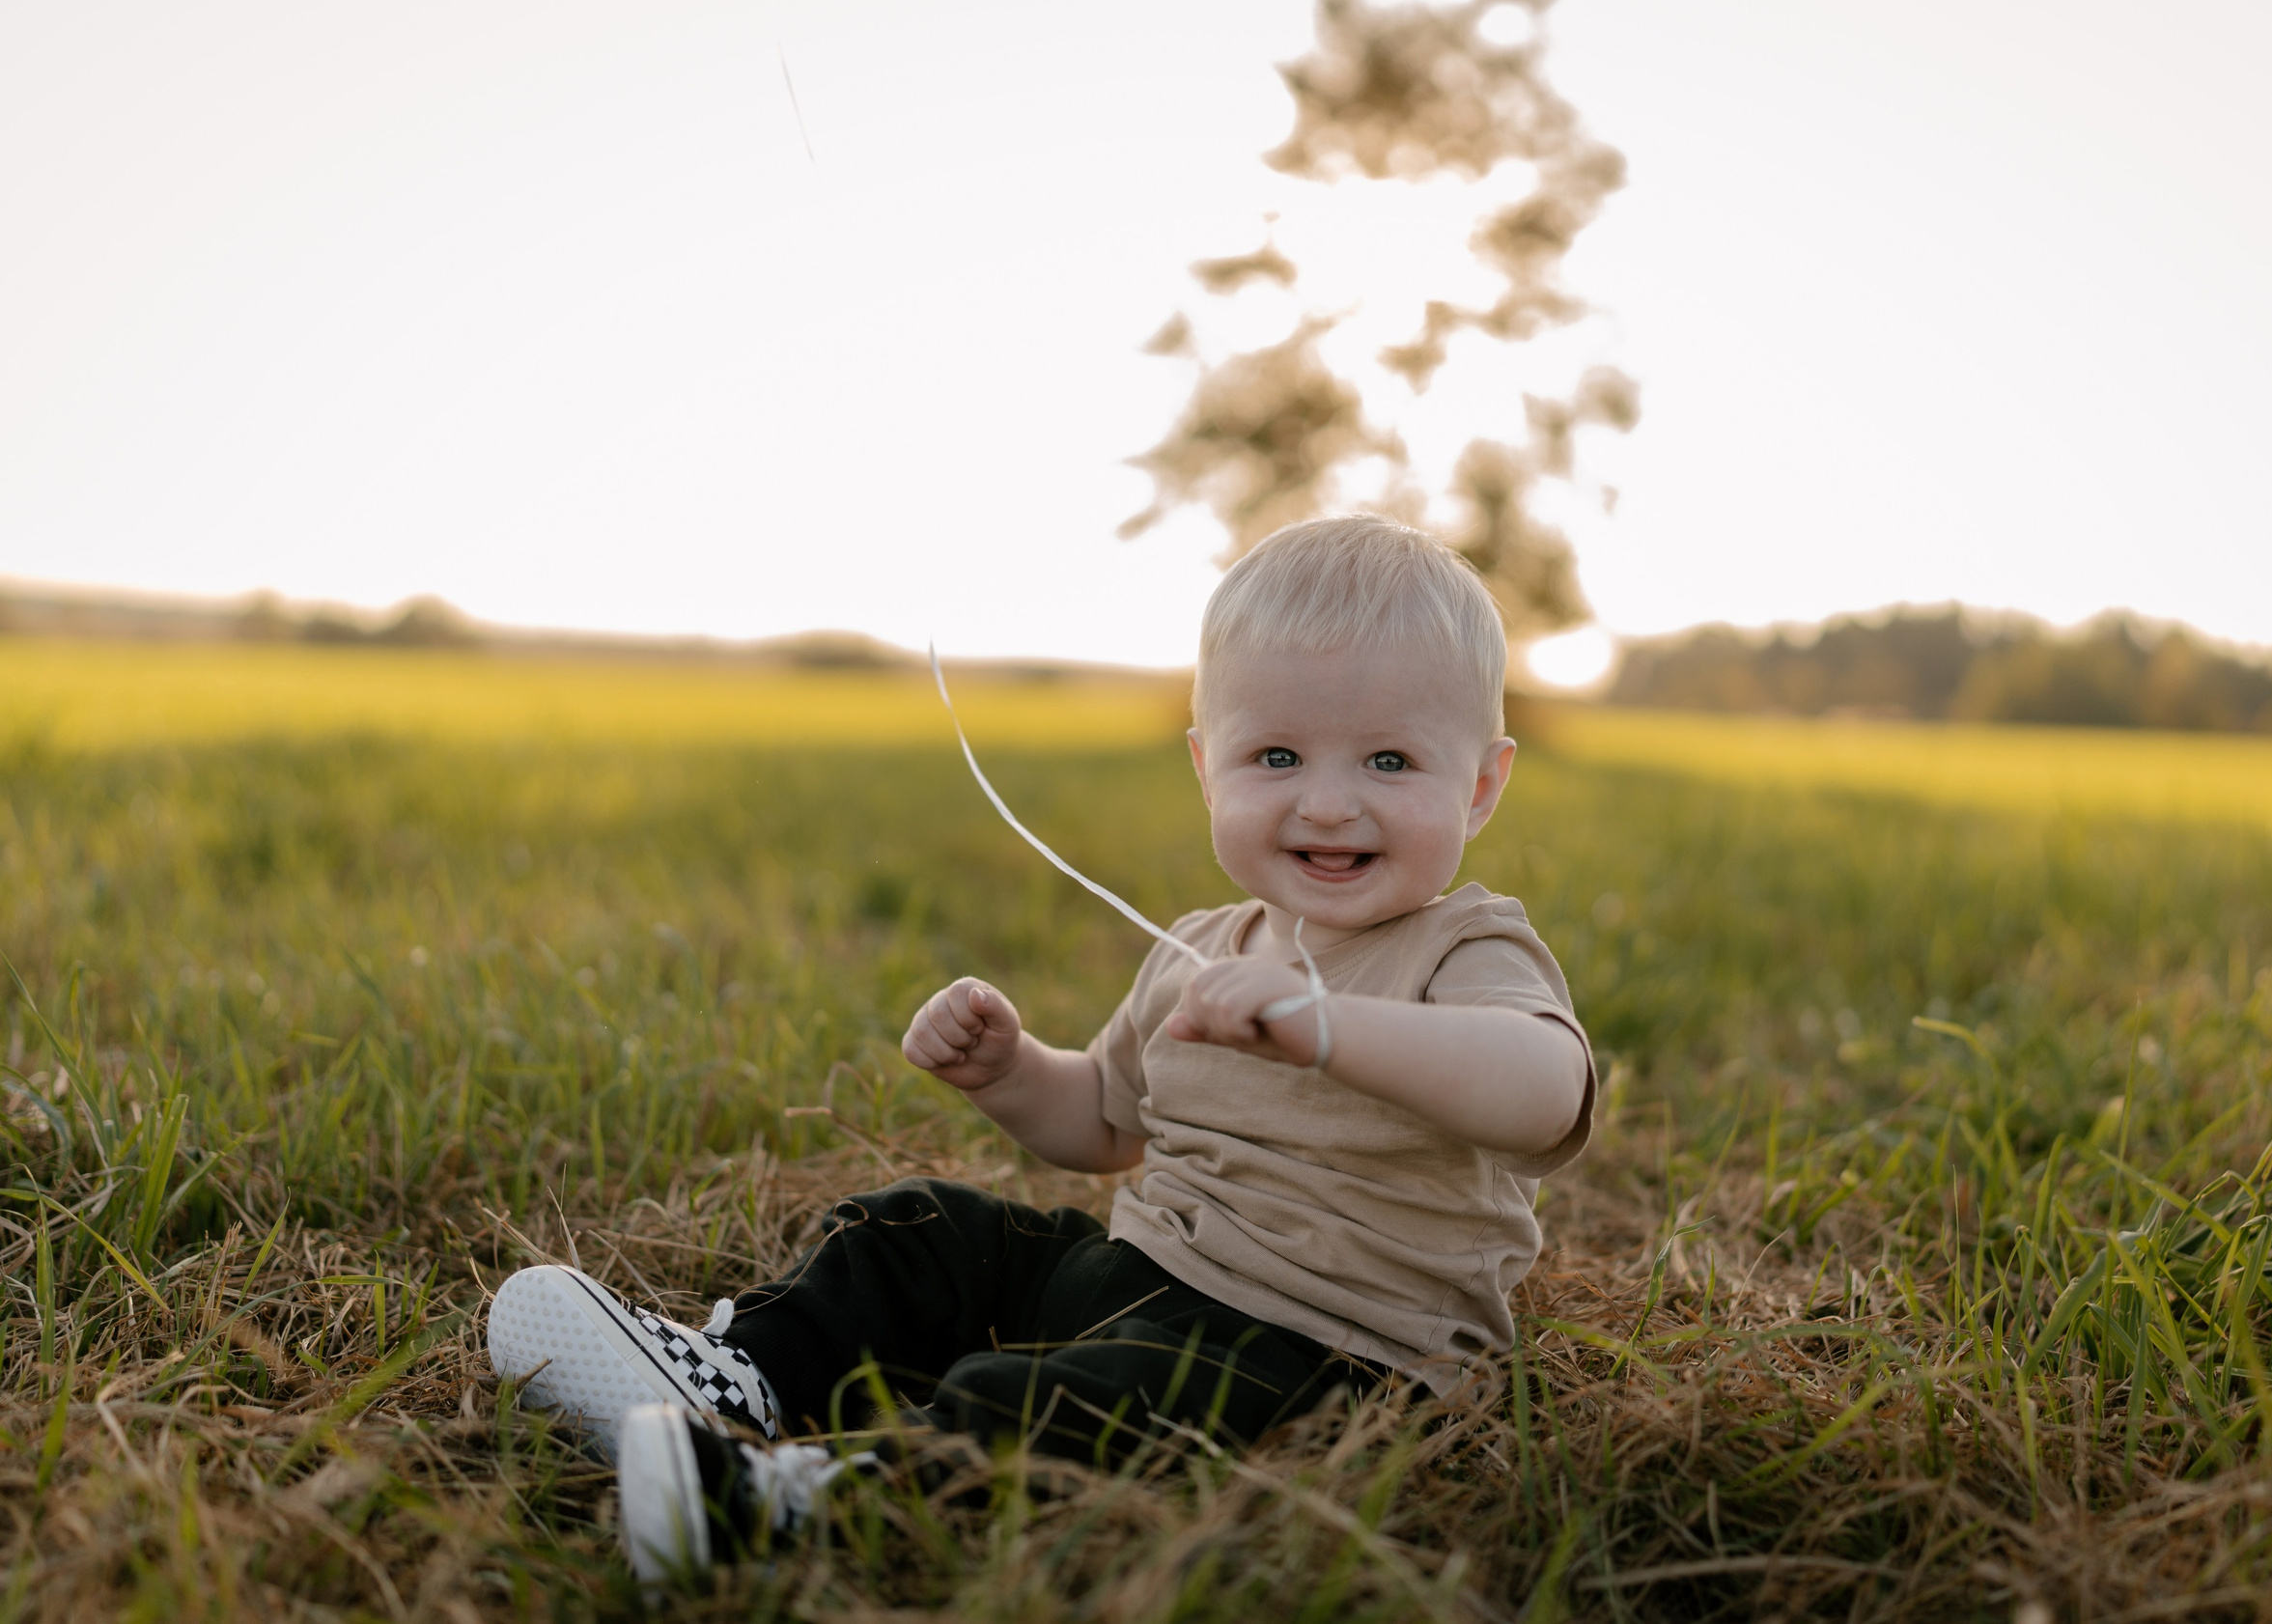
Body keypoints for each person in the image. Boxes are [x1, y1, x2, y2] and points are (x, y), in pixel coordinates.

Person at [484, 515, 1596, 1579]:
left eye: (1391, 763)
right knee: (922, 1233)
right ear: (1208, 768)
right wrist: (1013, 1073)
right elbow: (1105, 1124)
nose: (1330, 802)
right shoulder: (1202, 949)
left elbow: (1541, 1091)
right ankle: (741, 1382)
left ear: (1484, 784)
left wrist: (1326, 1027)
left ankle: (809, 1504)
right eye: (1278, 756)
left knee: (1084, 1404)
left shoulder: (1464, 947)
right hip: (1144, 1276)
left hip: (1329, 1355)